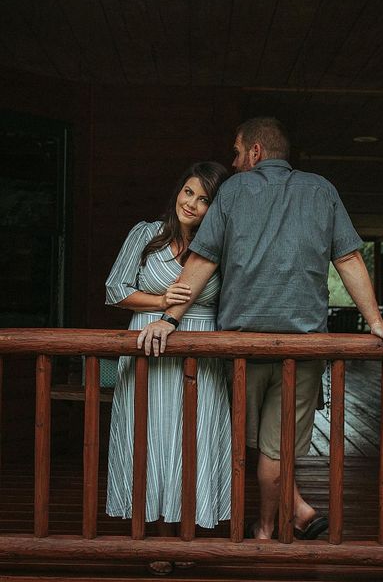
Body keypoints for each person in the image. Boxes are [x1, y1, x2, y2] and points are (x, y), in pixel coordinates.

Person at [137, 117, 383, 541]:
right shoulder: (322, 189)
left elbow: (203, 259)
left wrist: (168, 318)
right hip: (302, 349)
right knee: (277, 445)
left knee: (247, 445)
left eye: (236, 152)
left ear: (255, 152)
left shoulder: (232, 190)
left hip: (241, 346)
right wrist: (377, 323)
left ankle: (283, 517)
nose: (232, 162)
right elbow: (348, 259)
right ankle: (272, 525)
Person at [105, 161, 231, 576]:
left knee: (194, 437)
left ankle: (189, 534)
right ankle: (156, 532)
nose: (192, 204)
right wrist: (162, 302)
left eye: (204, 199)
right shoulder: (145, 234)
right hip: (147, 340)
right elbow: (116, 290)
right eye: (188, 192)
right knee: (149, 435)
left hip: (201, 347)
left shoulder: (221, 246)